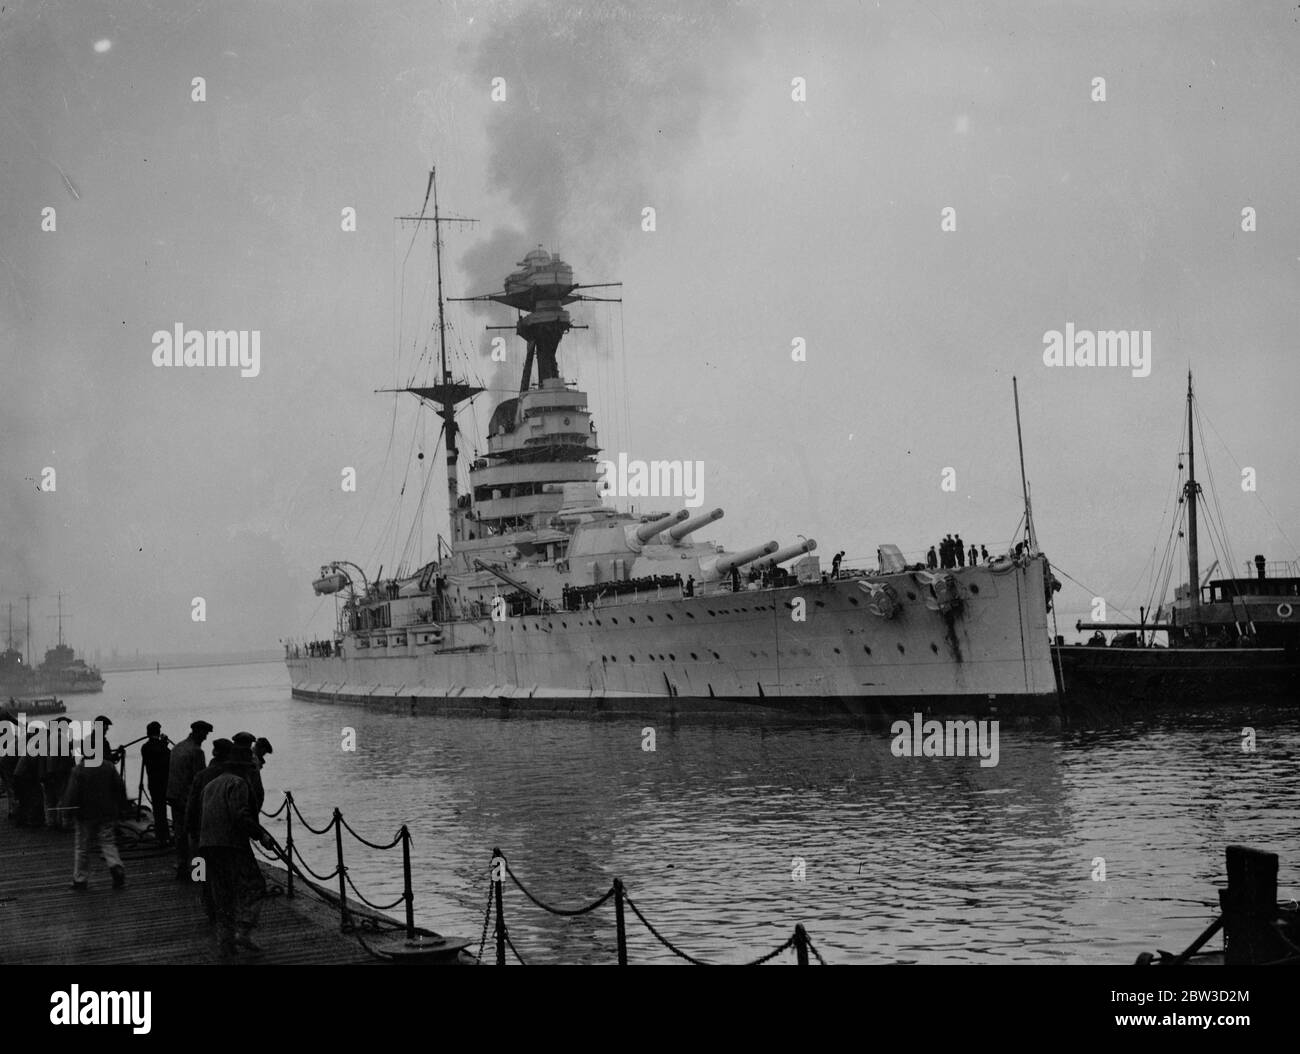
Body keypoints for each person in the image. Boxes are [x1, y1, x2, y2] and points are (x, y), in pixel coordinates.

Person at [199, 743, 275, 958]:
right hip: (231, 846)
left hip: (207, 846)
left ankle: (225, 941)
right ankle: (243, 931)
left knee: (222, 894)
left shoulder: (211, 785)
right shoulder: (238, 783)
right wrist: (261, 836)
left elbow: (198, 816)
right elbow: (240, 815)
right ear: (244, 768)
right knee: (255, 886)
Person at [62, 742, 128, 890]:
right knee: (108, 842)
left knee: (82, 847)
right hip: (107, 812)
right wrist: (123, 808)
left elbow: (71, 794)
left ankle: (80, 879)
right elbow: (119, 787)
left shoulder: (78, 770)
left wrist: (66, 814)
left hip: (85, 815)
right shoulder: (108, 766)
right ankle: (116, 866)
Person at [187, 738, 232, 924]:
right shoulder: (232, 777)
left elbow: (192, 805)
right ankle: (226, 909)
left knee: (203, 873)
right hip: (225, 834)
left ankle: (209, 908)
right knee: (225, 873)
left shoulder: (201, 775)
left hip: (202, 832)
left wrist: (189, 828)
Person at [166, 720, 213, 880]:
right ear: (199, 732)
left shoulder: (177, 747)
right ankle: (198, 873)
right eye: (205, 734)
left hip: (174, 797)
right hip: (189, 799)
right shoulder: (196, 752)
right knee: (196, 836)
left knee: (179, 834)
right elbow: (200, 779)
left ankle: (182, 867)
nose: (206, 738)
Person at [42, 717, 76, 831]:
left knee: (50, 799)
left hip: (51, 772)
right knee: (63, 796)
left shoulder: (52, 736)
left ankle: (51, 822)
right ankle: (64, 823)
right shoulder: (59, 736)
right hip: (59, 772)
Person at [141, 721, 171, 847]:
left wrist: (162, 744)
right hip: (164, 782)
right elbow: (167, 758)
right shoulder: (161, 747)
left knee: (158, 810)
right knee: (162, 810)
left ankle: (161, 837)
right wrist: (164, 744)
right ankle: (165, 837)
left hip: (153, 782)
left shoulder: (145, 747)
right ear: (158, 732)